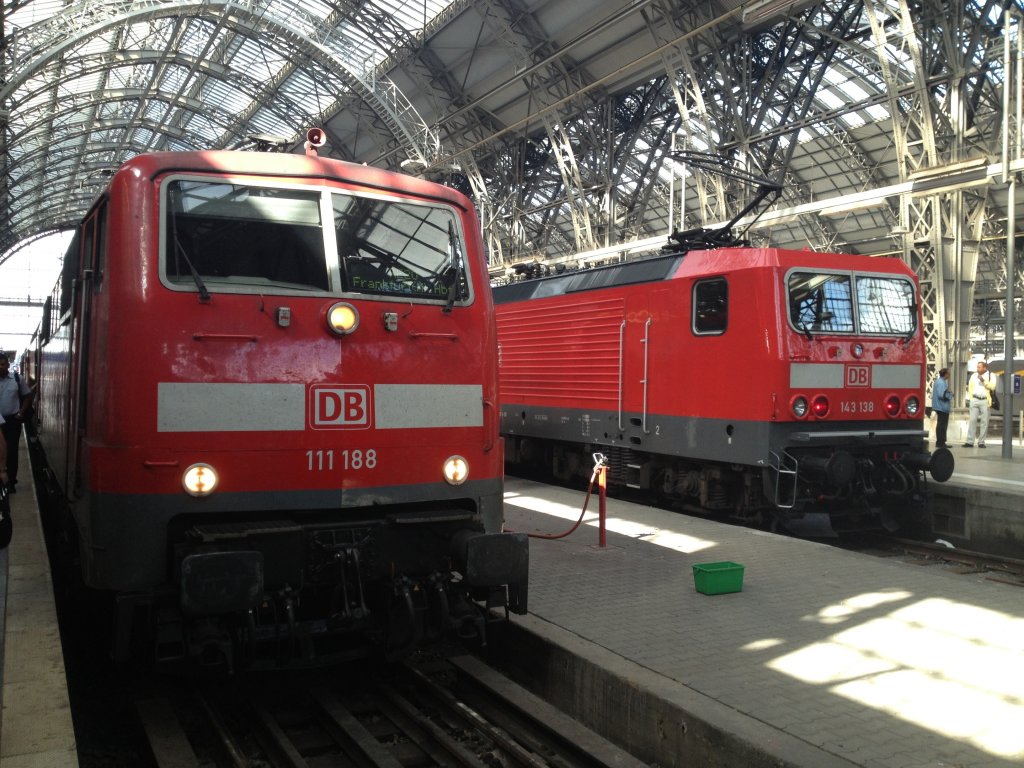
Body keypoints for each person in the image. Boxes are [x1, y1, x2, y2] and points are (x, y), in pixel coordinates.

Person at [0, 353, 32, 492]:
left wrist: (21, 413)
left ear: (8, 364)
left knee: (12, 450)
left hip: (12, 420)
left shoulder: (17, 379)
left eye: (2, 364)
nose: (0, 367)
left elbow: (28, 396)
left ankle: (11, 481)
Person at [964, 359, 996, 448]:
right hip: (974, 399)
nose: (977, 369)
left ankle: (981, 442)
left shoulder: (991, 375)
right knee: (972, 420)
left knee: (984, 422)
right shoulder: (974, 375)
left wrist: (983, 381)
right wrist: (971, 398)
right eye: (977, 367)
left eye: (979, 367)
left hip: (985, 400)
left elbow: (992, 386)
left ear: (984, 368)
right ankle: (970, 441)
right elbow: (970, 387)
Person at [931, 367, 953, 448]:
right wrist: (950, 395)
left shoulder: (940, 381)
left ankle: (941, 442)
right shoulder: (941, 382)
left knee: (941, 424)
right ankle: (941, 442)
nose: (950, 375)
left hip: (940, 406)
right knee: (942, 425)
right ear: (945, 374)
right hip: (942, 407)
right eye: (949, 373)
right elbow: (942, 394)